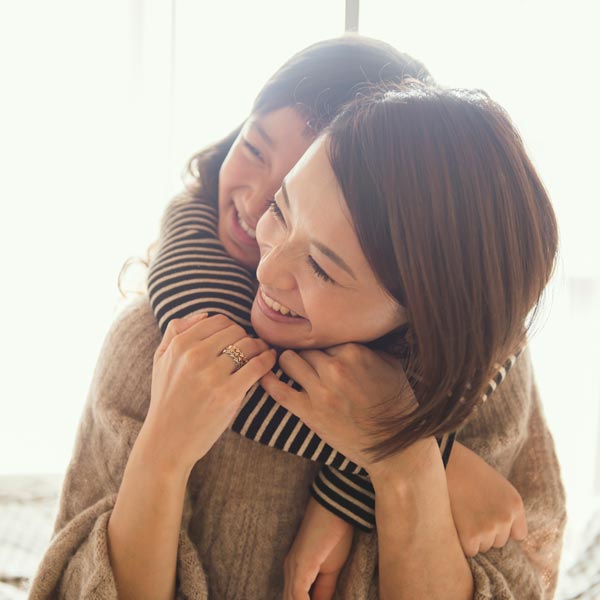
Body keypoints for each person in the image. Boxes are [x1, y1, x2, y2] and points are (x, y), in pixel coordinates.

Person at [27, 42, 564, 600]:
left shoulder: (476, 382)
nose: (269, 266)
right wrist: (161, 458)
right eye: (282, 209)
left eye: (322, 268)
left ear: (420, 311)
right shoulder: (158, 347)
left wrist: (409, 464)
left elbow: (518, 584)